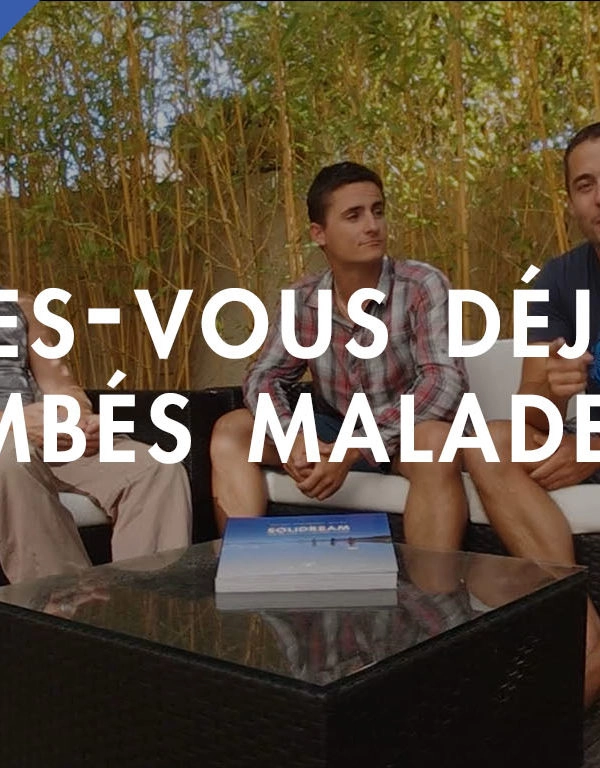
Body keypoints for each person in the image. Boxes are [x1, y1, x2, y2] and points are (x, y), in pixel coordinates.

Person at [210, 161, 469, 560]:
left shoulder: (422, 284)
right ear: (319, 234)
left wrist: (354, 446)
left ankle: (432, 596)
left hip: (409, 435)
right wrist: (291, 436)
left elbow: (444, 382)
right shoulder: (303, 299)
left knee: (435, 443)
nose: (373, 226)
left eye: (378, 211)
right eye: (354, 215)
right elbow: (264, 375)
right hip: (338, 428)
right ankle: (246, 571)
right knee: (233, 430)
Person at [463, 121, 600, 707]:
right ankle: (582, 630)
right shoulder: (558, 281)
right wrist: (554, 392)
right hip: (581, 440)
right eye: (585, 185)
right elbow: (532, 418)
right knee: (485, 441)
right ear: (570, 201)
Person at [0, 291, 192, 583]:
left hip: (43, 435)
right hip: (11, 441)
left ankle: (148, 602)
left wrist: (79, 419)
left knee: (155, 469)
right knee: (11, 456)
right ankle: (66, 603)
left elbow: (62, 386)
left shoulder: (20, 304)